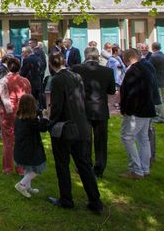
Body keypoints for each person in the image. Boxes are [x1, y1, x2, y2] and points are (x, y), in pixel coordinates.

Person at [47, 52, 103, 214]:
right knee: (84, 165)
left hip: (66, 128)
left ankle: (66, 199)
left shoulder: (57, 80)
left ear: (51, 64)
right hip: (82, 125)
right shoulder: (76, 76)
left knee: (62, 165)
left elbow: (57, 106)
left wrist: (50, 123)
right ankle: (95, 200)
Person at [71, 46, 116, 178]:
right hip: (100, 109)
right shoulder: (107, 71)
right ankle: (99, 168)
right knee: (101, 141)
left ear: (85, 56)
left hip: (83, 109)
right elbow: (112, 91)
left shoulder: (77, 69)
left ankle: (85, 165)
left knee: (85, 139)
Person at [119, 48, 158, 179]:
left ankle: (136, 169)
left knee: (127, 137)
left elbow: (130, 93)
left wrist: (125, 110)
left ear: (127, 58)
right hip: (147, 108)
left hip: (136, 111)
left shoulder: (133, 71)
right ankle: (144, 168)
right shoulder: (146, 67)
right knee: (143, 139)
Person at [0, 57, 31, 174]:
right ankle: (21, 169)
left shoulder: (4, 81)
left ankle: (7, 169)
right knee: (20, 141)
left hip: (7, 114)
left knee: (8, 142)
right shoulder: (25, 81)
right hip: (22, 114)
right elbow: (29, 97)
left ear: (8, 67)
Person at [13, 94, 48, 198]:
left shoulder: (19, 117)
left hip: (21, 149)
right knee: (36, 169)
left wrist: (39, 113)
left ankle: (27, 187)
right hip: (30, 150)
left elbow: (34, 118)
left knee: (28, 168)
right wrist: (45, 117)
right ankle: (22, 184)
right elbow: (43, 128)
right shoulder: (31, 121)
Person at [149, 42, 164, 123]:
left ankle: (162, 117)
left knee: (158, 100)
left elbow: (148, 67)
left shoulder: (153, 56)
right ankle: (163, 114)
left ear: (153, 47)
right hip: (162, 79)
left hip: (156, 80)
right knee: (162, 99)